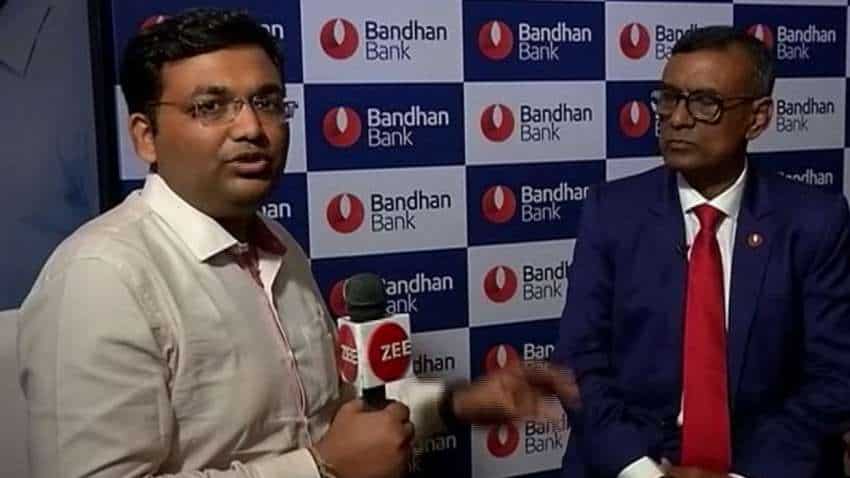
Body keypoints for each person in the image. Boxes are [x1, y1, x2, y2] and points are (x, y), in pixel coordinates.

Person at [17, 9, 577, 478]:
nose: (250, 128)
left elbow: (334, 416)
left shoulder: (277, 246)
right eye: (210, 107)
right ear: (146, 137)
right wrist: (319, 468)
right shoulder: (101, 278)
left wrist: (462, 403)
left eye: (266, 102)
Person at [554, 26, 850, 478]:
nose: (677, 118)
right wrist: (644, 473)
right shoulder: (610, 212)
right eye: (669, 98)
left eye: (705, 103)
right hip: (632, 463)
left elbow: (834, 376)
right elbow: (579, 362)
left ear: (757, 118)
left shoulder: (815, 222)